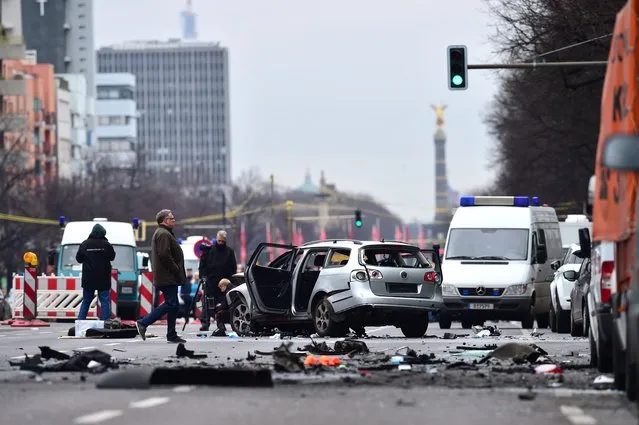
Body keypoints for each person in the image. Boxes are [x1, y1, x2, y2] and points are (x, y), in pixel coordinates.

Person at [136, 209, 187, 343]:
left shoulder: (164, 233)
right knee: (171, 303)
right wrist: (175, 269)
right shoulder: (163, 234)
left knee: (174, 304)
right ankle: (143, 323)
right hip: (167, 276)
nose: (174, 220)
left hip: (168, 276)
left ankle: (171, 334)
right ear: (165, 220)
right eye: (172, 218)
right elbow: (164, 255)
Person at [198, 230, 237, 331]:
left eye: (222, 242)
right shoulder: (209, 250)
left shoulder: (229, 252)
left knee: (223, 304)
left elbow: (233, 268)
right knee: (207, 303)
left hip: (223, 282)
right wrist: (202, 277)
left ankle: (221, 323)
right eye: (218, 241)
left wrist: (230, 281)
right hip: (210, 281)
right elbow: (202, 266)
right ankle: (205, 323)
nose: (220, 243)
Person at [76, 224, 116, 321]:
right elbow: (112, 257)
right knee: (104, 301)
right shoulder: (106, 245)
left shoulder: (84, 244)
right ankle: (104, 323)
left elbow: (78, 259)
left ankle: (80, 322)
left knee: (86, 301)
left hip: (88, 278)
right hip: (103, 278)